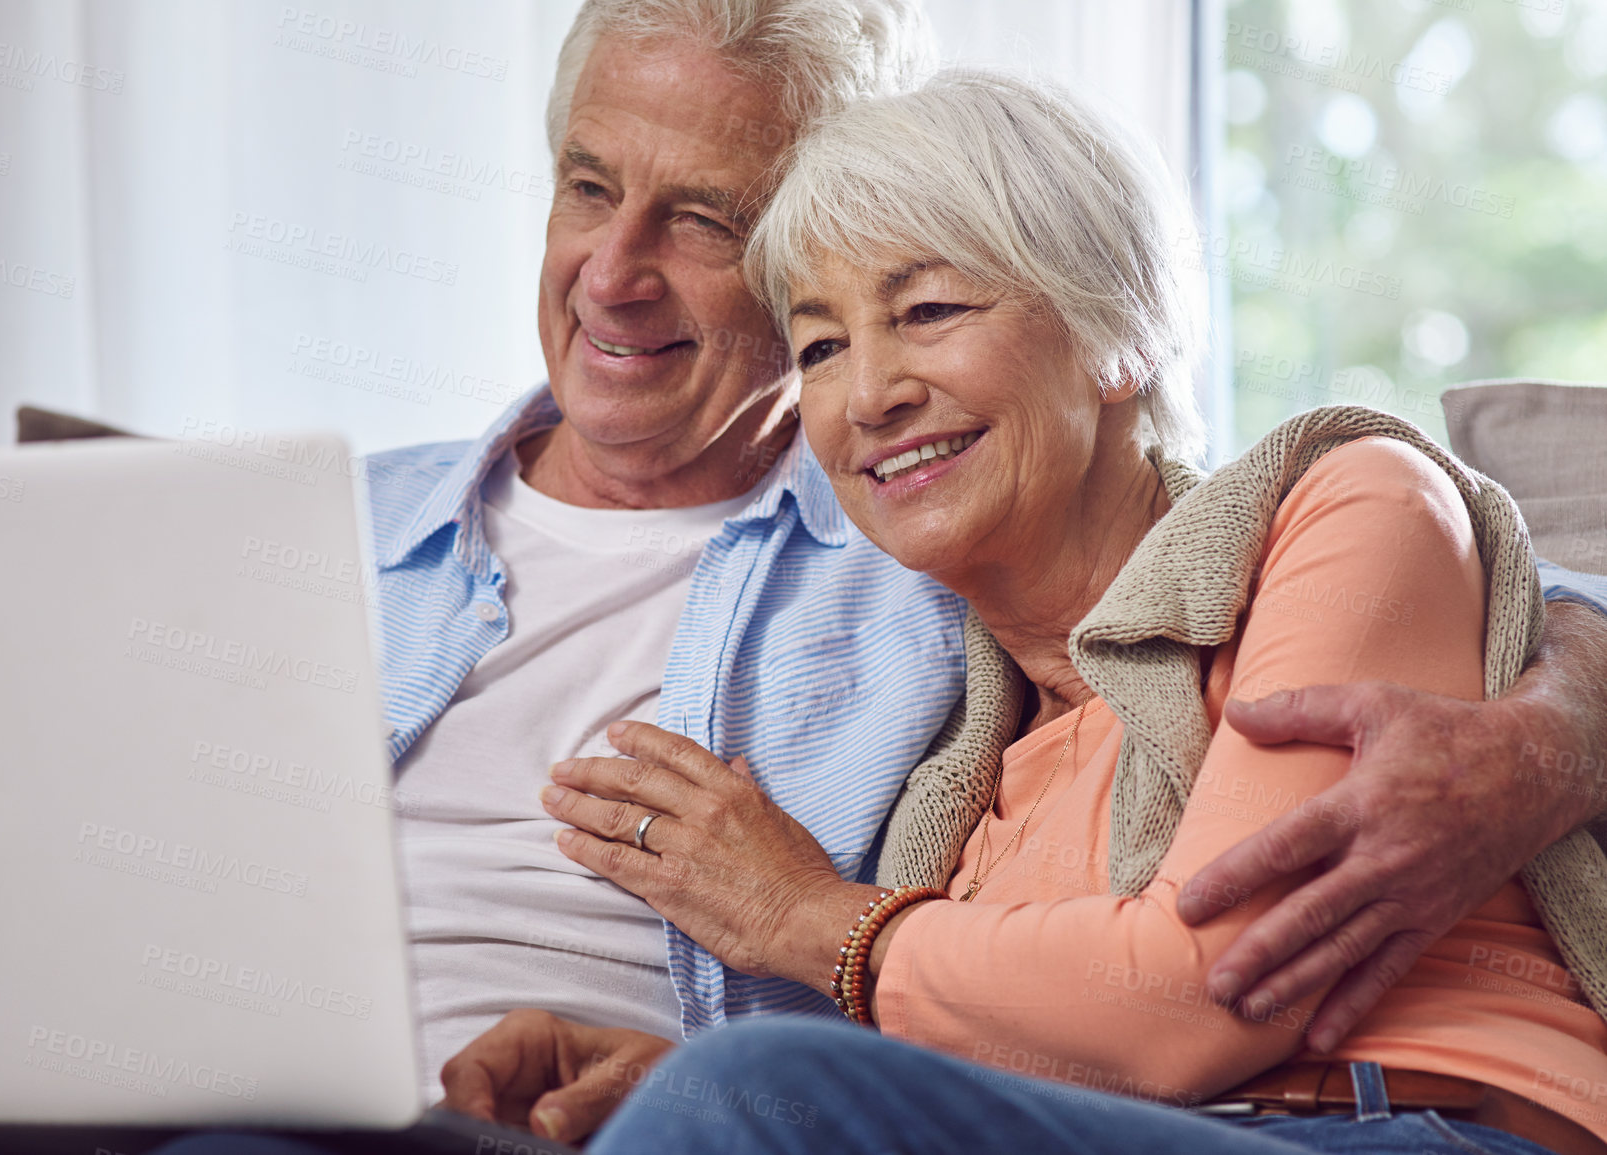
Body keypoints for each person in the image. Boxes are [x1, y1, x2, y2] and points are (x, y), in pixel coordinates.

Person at [154, 3, 1607, 1152]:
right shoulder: (968, 768)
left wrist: (1566, 721)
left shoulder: (1324, 503)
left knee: (753, 1095)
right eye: (826, 344)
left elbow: (1189, 996)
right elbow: (999, 1058)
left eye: (928, 311)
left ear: (1122, 332)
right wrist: (672, 1081)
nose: (869, 395)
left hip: (1410, 1126)